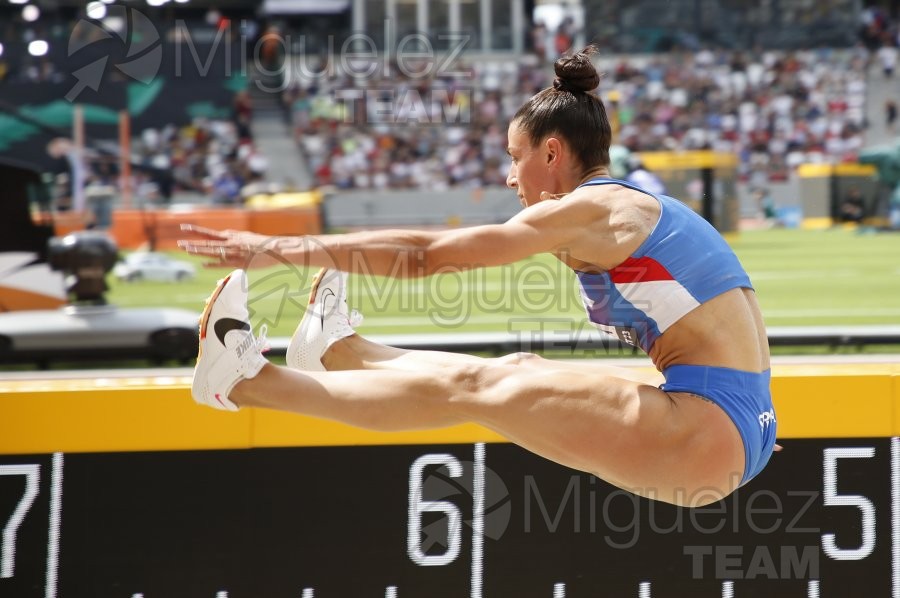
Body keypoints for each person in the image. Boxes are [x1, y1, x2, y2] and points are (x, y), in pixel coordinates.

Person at [179, 46, 777, 508]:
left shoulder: (593, 212)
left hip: (707, 432)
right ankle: (340, 351)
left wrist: (277, 249)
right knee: (514, 375)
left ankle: (246, 382)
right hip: (736, 423)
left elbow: (430, 255)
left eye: (514, 159)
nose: (510, 179)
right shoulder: (632, 208)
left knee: (478, 387)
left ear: (550, 154)